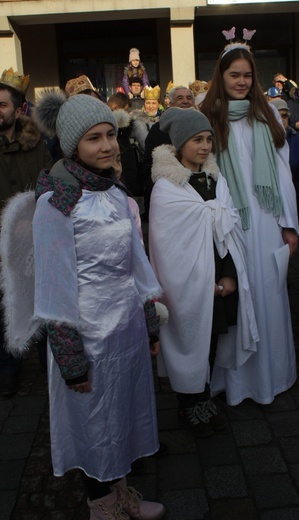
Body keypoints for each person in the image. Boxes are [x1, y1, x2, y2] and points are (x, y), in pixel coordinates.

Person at [30, 91, 165, 520]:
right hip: (87, 337)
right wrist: (72, 361)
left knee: (122, 413)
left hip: (125, 329)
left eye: (111, 134)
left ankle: (122, 490)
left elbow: (137, 265)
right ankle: (101, 505)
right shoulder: (57, 202)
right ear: (73, 146)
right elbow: (53, 287)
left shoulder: (114, 190)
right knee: (94, 423)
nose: (107, 145)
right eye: (94, 138)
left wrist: (149, 324)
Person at [201, 32, 299, 406]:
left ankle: (271, 376)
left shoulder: (268, 113)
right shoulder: (208, 114)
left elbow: (283, 172)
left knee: (269, 295)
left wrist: (288, 224)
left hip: (266, 217)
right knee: (237, 296)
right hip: (229, 218)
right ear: (221, 77)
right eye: (233, 75)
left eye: (246, 75)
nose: (241, 82)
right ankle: (236, 384)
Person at [149, 107, 258, 437]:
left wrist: (228, 275)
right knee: (190, 337)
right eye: (197, 139)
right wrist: (200, 282)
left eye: (209, 139)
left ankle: (203, 398)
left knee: (211, 338)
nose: (205, 146)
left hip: (219, 275)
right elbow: (168, 248)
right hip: (190, 283)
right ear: (180, 144)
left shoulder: (216, 180)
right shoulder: (166, 189)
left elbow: (228, 231)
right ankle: (188, 405)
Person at [0, 67, 53, 397]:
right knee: (5, 304)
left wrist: (32, 218)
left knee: (43, 300)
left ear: (18, 109)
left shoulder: (38, 145)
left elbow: (48, 185)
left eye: (2, 105)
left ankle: (53, 365)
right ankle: (9, 370)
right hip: (1, 244)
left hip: (36, 240)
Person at [141, 86, 195, 218]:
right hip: (169, 195)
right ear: (170, 104)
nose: (185, 101)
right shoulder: (158, 129)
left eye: (189, 98)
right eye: (180, 98)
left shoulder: (201, 127)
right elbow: (149, 164)